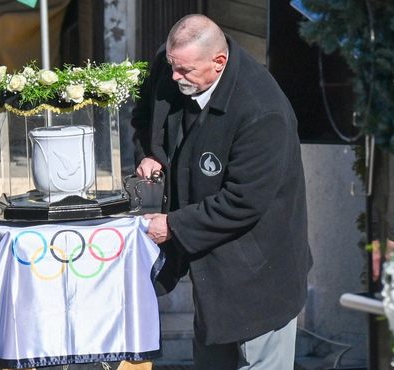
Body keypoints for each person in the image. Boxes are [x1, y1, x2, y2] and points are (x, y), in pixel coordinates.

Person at [130, 14, 313, 370]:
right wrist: (148, 153)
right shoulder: (174, 63)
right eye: (172, 65)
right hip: (209, 270)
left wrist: (174, 226)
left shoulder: (263, 111)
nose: (174, 77)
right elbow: (143, 114)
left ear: (219, 62)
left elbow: (242, 202)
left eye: (185, 71)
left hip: (260, 270)